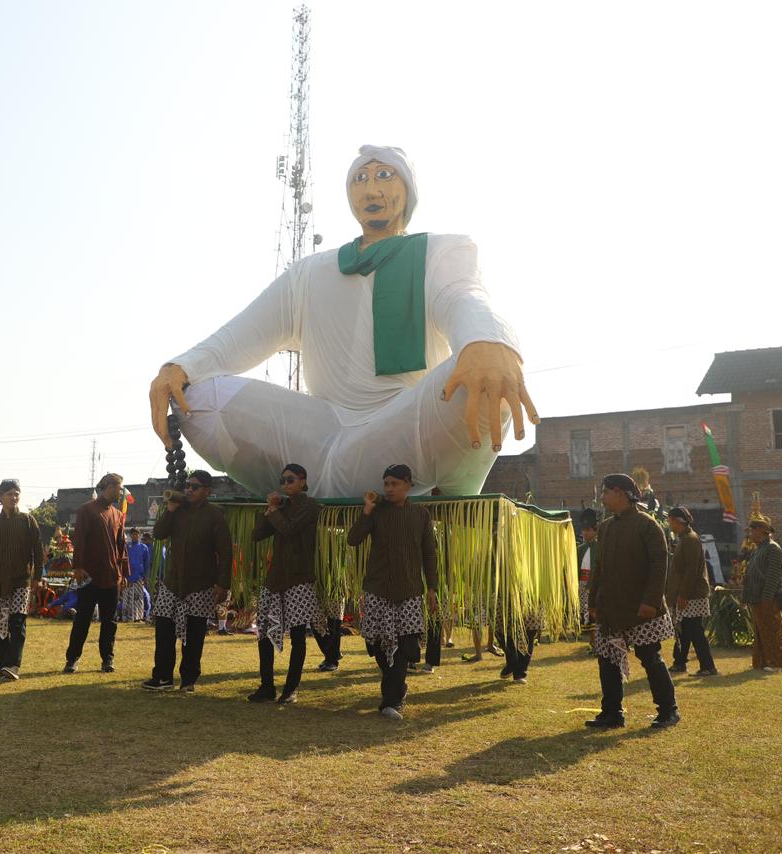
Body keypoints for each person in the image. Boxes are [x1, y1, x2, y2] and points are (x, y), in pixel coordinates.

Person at [148, 145, 538, 500]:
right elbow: (239, 335)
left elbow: (463, 297)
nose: (371, 189)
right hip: (315, 433)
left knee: (483, 374)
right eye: (360, 179)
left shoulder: (438, 251)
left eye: (384, 176)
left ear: (408, 189)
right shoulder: (311, 272)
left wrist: (487, 340)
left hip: (403, 428)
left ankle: (418, 485)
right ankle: (328, 481)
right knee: (197, 399)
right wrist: (179, 368)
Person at [586, 473, 678, 730]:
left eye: (605, 492)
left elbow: (660, 566)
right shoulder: (605, 528)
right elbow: (600, 569)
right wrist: (593, 602)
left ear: (620, 493)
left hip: (642, 608)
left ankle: (669, 711)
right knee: (607, 659)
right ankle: (612, 713)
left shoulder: (648, 525)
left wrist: (650, 602)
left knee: (650, 657)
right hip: (611, 608)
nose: (602, 498)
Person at [347, 464, 438, 721]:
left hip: (410, 590)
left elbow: (429, 554)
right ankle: (397, 690)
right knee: (377, 644)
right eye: (386, 484)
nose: (388, 489)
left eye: (394, 484)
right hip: (378, 589)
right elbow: (353, 539)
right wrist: (366, 511)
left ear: (408, 484)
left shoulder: (421, 514)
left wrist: (432, 587)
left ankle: (392, 701)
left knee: (404, 646)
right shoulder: (376, 513)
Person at [143, 470, 232, 692]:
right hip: (173, 583)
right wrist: (170, 511)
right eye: (188, 486)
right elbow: (159, 533)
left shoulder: (215, 515)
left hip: (200, 584)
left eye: (195, 486)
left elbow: (226, 552)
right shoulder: (177, 510)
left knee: (194, 636)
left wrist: (223, 584)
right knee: (163, 629)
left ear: (207, 491)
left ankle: (189, 680)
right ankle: (162, 677)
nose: (189, 490)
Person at [248, 463, 324, 705]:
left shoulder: (309, 506)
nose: (285, 484)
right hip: (276, 578)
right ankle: (267, 686)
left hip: (299, 578)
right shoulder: (281, 507)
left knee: (298, 638)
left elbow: (289, 529)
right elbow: (257, 535)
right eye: (283, 481)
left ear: (303, 480)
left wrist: (274, 509)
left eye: (290, 479)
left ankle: (291, 688)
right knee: (264, 634)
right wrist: (271, 509)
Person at [0, 479, 44, 679]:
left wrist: (37, 577)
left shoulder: (27, 520)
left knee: (17, 622)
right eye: (9, 494)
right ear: (0, 497)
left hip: (20, 581)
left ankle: (13, 665)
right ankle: (3, 665)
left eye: (16, 493)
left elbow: (38, 551)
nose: (13, 497)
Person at [64, 473, 129, 674]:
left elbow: (121, 546)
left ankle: (107, 660)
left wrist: (124, 573)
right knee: (83, 619)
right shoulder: (86, 510)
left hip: (111, 577)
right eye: (119, 488)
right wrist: (78, 567)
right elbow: (79, 540)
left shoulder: (118, 514)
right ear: (108, 487)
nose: (121, 492)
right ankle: (72, 660)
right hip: (88, 576)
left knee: (109, 622)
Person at [664, 506, 716, 677]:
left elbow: (691, 571)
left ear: (677, 521)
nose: (668, 523)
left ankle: (707, 666)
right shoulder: (684, 539)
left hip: (691, 595)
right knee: (684, 630)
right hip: (687, 594)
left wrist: (684, 595)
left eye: (670, 520)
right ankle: (679, 662)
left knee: (694, 631)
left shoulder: (690, 540)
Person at [741, 516, 782, 673]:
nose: (750, 534)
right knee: (761, 631)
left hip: (767, 598)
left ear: (763, 531)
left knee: (773, 630)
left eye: (752, 531)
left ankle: (777, 663)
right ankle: (762, 661)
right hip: (756, 597)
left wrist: (767, 598)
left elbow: (773, 577)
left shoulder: (773, 548)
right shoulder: (759, 549)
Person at [577, 509, 599, 651]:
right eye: (583, 530)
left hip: (595, 585)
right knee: (587, 614)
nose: (585, 533)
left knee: (595, 614)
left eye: (588, 530)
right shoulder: (580, 549)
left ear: (595, 531)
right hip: (582, 585)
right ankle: (593, 643)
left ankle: (597, 643)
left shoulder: (600, 547)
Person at [122, 528, 152, 622]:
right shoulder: (126, 547)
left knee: (138, 598)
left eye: (137, 534)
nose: (135, 536)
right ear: (130, 536)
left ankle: (138, 616)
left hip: (139, 577)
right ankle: (126, 617)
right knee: (127, 597)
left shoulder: (144, 547)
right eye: (133, 534)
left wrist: (145, 576)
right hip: (128, 577)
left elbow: (146, 562)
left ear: (139, 535)